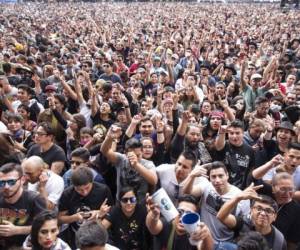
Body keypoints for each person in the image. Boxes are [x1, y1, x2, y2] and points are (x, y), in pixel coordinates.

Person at [183, 161, 249, 244]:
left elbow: (244, 226)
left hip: (226, 243)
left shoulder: (241, 197)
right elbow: (187, 191)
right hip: (204, 239)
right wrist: (192, 175)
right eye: (213, 177)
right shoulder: (206, 186)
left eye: (221, 176)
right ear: (209, 178)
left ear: (227, 175)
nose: (217, 180)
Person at [58, 166, 113, 249]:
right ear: (73, 186)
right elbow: (60, 218)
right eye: (79, 189)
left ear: (92, 182)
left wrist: (99, 213)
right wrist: (74, 217)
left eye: (87, 188)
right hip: (77, 235)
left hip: (100, 234)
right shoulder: (67, 194)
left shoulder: (103, 190)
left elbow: (112, 213)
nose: (84, 192)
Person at [217, 187, 287, 250]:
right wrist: (238, 198)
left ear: (275, 216)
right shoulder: (243, 223)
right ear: (251, 210)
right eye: (259, 208)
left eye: (268, 211)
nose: (262, 213)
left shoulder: (279, 240)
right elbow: (221, 216)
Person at [101, 126, 157, 200]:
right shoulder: (121, 159)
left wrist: (136, 164)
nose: (135, 157)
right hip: (121, 202)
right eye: (131, 155)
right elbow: (104, 151)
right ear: (125, 153)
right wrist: (109, 138)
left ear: (142, 152)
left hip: (139, 204)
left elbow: (154, 180)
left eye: (138, 155)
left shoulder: (148, 164)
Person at [0, 162, 46, 249]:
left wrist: (17, 230)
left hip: (27, 245)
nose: (6, 187)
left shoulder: (34, 199)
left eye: (11, 182)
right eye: (2, 183)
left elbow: (45, 227)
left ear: (23, 180)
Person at [146, 194, 214, 250]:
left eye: (188, 214)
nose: (182, 218)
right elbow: (152, 226)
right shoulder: (167, 224)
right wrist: (154, 214)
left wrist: (206, 235)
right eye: (180, 212)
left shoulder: (196, 232)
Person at [214, 120, 255, 189]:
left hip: (239, 188)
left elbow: (250, 172)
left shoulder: (250, 150)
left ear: (243, 133)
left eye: (237, 133)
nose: (234, 136)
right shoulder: (224, 145)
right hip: (221, 185)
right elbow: (218, 146)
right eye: (231, 133)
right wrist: (221, 132)